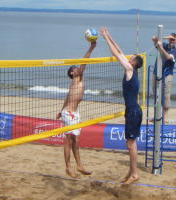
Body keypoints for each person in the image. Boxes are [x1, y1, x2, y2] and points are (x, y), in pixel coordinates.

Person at [100, 27, 143, 185]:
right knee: (132, 142)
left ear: (132, 62)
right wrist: (109, 36)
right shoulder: (134, 69)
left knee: (130, 143)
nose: (128, 56)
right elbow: (120, 50)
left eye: (130, 57)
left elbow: (116, 54)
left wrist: (105, 39)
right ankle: (131, 172)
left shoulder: (130, 69)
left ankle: (135, 174)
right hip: (134, 110)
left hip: (133, 111)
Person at [56, 41, 97, 178]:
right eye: (75, 68)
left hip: (73, 112)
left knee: (77, 140)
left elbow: (67, 98)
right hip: (69, 113)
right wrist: (91, 48)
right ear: (73, 73)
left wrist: (59, 111)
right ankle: (68, 168)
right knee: (69, 140)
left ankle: (79, 165)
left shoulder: (76, 82)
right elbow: (84, 62)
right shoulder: (77, 77)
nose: (77, 68)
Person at [151, 33, 176, 123]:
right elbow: (153, 38)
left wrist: (161, 48)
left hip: (167, 74)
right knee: (155, 93)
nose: (171, 41)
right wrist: (166, 37)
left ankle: (165, 116)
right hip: (157, 72)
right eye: (171, 39)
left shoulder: (175, 51)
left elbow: (167, 57)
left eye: (173, 40)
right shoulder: (165, 44)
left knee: (166, 94)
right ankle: (155, 115)